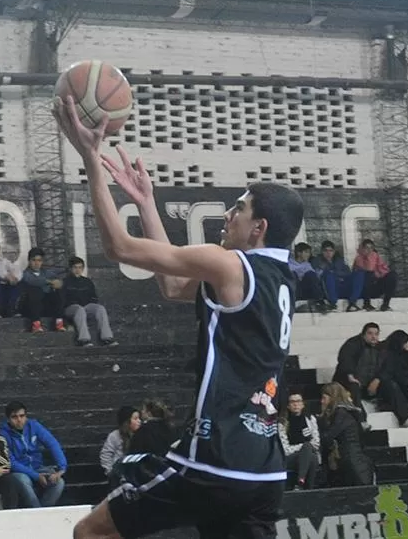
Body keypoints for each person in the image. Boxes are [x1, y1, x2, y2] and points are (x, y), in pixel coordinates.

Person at [56, 96, 303, 539]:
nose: (229, 215)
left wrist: (90, 158)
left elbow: (120, 248)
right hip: (264, 471)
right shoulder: (281, 278)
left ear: (259, 226)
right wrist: (146, 202)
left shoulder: (228, 264)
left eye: (239, 208)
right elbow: (172, 285)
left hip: (214, 459)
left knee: (90, 532)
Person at [0, 401, 67, 508]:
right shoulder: (3, 434)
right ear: (8, 419)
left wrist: (61, 468)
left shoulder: (33, 425)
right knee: (23, 480)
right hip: (19, 472)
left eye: (22, 416)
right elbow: (11, 462)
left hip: (38, 468)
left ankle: (43, 511)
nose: (19, 420)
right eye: (14, 417)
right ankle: (36, 511)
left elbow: (52, 443)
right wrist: (35, 476)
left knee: (59, 482)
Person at [319, 382, 373, 487]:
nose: (322, 401)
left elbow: (328, 436)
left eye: (324, 398)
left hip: (353, 464)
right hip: (353, 461)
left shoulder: (341, 414)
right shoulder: (348, 413)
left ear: (332, 398)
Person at [63, 256, 116, 347]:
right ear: (71, 268)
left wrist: (90, 304)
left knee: (100, 308)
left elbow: (93, 297)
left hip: (85, 307)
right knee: (79, 309)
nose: (78, 270)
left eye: (80, 267)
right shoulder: (65, 282)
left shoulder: (87, 281)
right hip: (70, 308)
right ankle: (84, 339)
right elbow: (62, 300)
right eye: (75, 267)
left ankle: (107, 338)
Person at [278, 390, 320, 490]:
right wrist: (303, 447)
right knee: (308, 449)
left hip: (309, 454)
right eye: (292, 402)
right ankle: (305, 485)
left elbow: (316, 443)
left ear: (303, 404)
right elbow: (285, 449)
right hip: (290, 458)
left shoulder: (310, 419)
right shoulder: (282, 423)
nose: (296, 404)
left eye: (298, 401)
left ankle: (301, 483)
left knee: (312, 457)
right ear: (288, 405)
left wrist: (306, 448)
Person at [19, 248, 66, 334]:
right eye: (34, 260)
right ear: (29, 261)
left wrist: (58, 283)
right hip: (30, 307)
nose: (37, 263)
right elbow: (33, 281)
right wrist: (49, 282)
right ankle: (36, 325)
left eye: (39, 260)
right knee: (35, 290)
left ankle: (59, 322)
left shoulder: (46, 273)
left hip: (45, 305)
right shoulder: (25, 273)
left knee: (57, 292)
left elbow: (58, 279)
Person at [347, 239, 397, 312]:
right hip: (364, 289)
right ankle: (367, 304)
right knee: (368, 274)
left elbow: (384, 269)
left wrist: (380, 274)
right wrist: (369, 258)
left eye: (371, 248)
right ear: (363, 249)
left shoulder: (376, 257)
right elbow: (368, 269)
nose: (369, 250)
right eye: (367, 248)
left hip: (375, 285)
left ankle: (385, 304)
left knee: (392, 275)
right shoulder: (359, 258)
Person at [310, 241, 351, 311]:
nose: (328, 253)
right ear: (322, 251)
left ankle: (353, 302)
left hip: (340, 286)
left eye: (330, 251)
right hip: (325, 289)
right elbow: (317, 276)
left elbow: (348, 273)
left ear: (334, 252)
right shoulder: (316, 261)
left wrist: (335, 273)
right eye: (325, 251)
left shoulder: (339, 261)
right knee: (329, 276)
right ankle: (333, 302)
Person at [100, 406, 141, 476]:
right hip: (119, 474)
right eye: (135, 418)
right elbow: (106, 454)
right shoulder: (114, 436)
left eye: (139, 418)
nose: (139, 421)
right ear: (126, 421)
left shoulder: (141, 435)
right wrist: (110, 472)